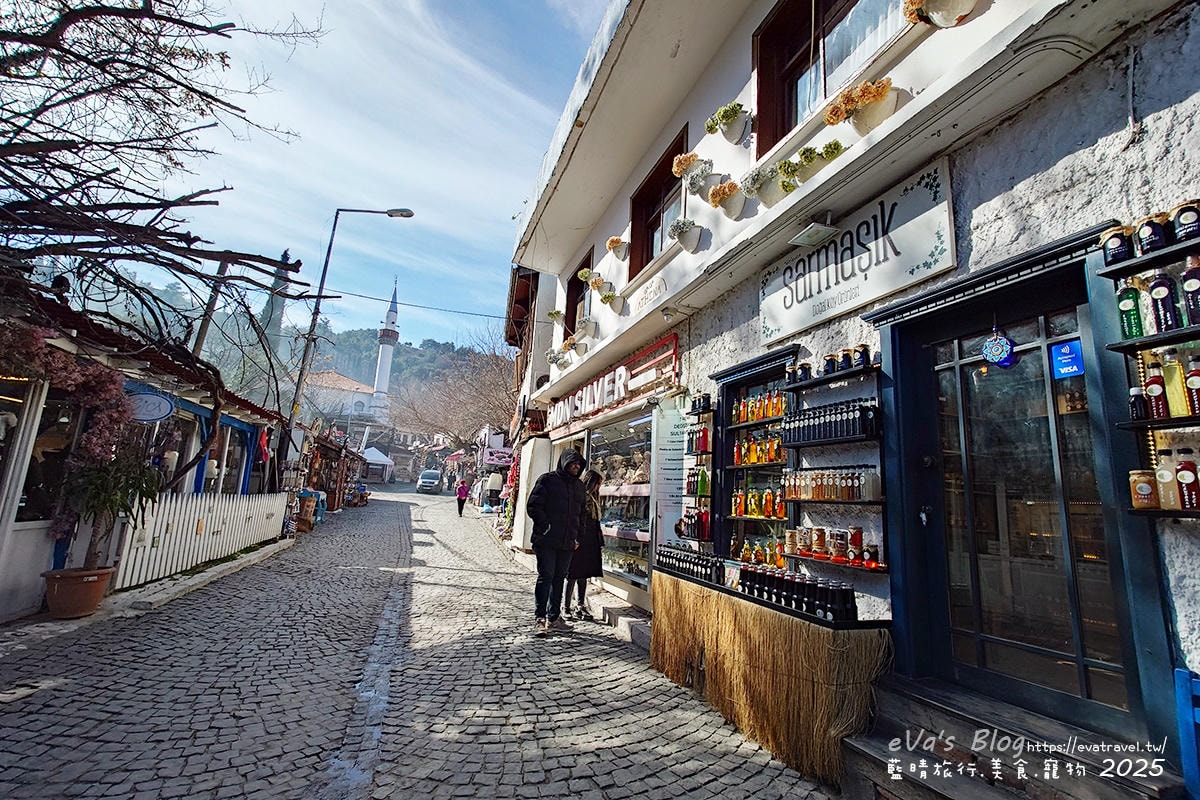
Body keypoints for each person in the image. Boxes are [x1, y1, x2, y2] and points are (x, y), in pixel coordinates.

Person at [525, 449, 587, 637]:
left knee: (559, 578)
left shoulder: (579, 486)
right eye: (572, 463)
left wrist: (579, 538)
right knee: (546, 576)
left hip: (567, 542)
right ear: (564, 462)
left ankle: (554, 617)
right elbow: (533, 506)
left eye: (578, 464)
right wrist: (545, 526)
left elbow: (582, 515)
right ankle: (540, 618)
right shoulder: (547, 480)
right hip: (546, 540)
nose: (576, 466)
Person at [564, 469, 604, 621]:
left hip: (590, 540)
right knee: (573, 575)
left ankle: (580, 605)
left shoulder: (593, 498)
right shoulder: (580, 497)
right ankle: (566, 607)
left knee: (584, 575)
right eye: (598, 484)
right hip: (579, 540)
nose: (598, 487)